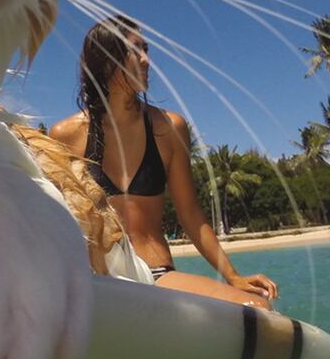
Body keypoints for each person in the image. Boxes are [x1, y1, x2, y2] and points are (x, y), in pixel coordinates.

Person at [50, 15, 279, 309]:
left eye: (147, 50)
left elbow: (191, 215)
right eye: (137, 49)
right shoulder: (67, 134)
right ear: (106, 58)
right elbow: (58, 220)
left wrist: (232, 276)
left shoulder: (169, 128)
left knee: (259, 308)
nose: (146, 60)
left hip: (155, 275)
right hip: (97, 281)